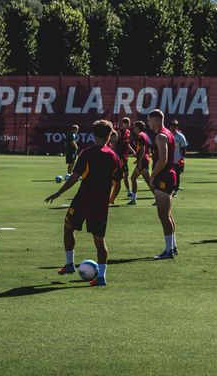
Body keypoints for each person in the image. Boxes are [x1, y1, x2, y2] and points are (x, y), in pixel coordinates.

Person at [45, 119, 121, 287]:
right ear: (109, 136)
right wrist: (111, 199)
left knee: (68, 227)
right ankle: (101, 277)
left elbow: (74, 177)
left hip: (83, 200)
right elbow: (118, 183)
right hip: (100, 204)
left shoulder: (87, 153)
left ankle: (70, 264)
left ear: (94, 135)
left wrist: (59, 192)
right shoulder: (114, 156)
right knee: (99, 240)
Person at [147, 109, 179, 259]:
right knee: (167, 214)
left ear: (156, 120)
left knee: (163, 215)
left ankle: (168, 250)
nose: (148, 123)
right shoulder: (168, 133)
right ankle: (173, 247)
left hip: (164, 177)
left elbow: (163, 159)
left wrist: (152, 175)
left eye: (149, 120)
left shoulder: (160, 135)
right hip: (169, 175)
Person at [128, 120, 153, 204]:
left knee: (147, 181)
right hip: (143, 160)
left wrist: (140, 162)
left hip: (143, 161)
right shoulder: (144, 135)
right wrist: (138, 159)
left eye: (135, 126)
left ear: (138, 127)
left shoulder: (140, 135)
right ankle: (133, 199)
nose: (133, 128)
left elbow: (142, 149)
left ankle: (158, 198)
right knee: (138, 179)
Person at [170, 120, 188, 194]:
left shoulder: (180, 136)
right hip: (169, 159)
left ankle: (176, 190)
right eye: (171, 126)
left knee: (177, 174)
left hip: (177, 159)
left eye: (174, 126)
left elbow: (184, 148)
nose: (172, 128)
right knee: (169, 174)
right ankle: (170, 188)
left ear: (177, 127)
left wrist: (182, 158)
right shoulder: (168, 135)